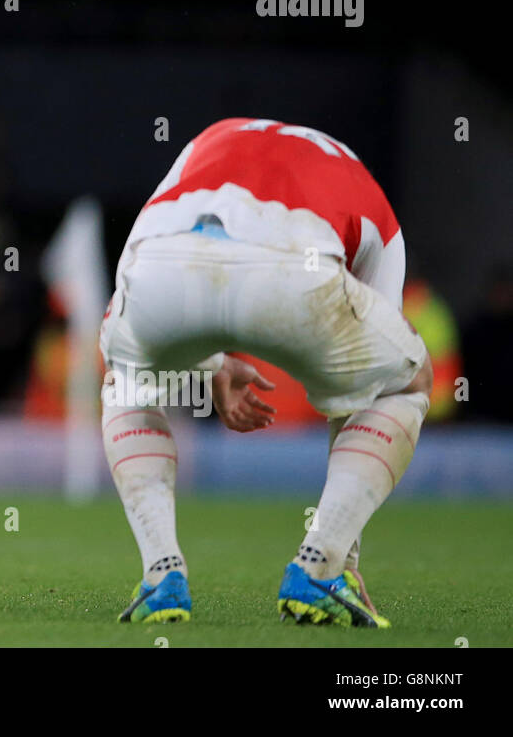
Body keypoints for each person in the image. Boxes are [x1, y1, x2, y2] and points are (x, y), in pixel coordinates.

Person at [99, 117, 433, 627]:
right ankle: (321, 567)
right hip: (295, 267)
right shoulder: (365, 188)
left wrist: (206, 360)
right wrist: (345, 554)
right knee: (407, 382)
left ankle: (160, 575)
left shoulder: (205, 142)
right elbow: (363, 393)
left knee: (126, 382)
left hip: (163, 267)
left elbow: (144, 253)